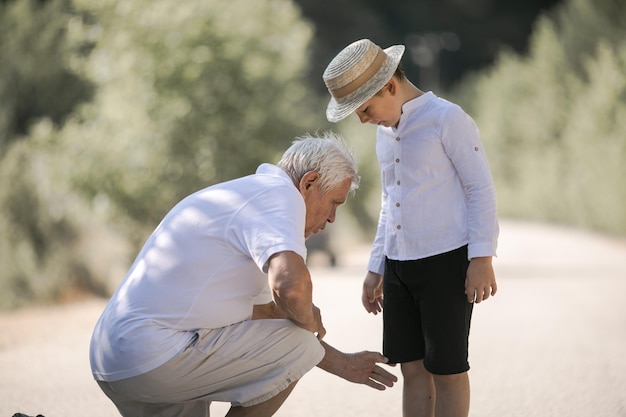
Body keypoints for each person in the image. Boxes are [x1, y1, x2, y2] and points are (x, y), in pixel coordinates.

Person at [89, 131, 397, 417]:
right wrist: (308, 319)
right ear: (308, 183)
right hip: (154, 356)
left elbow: (267, 314)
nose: (331, 218)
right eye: (334, 203)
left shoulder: (248, 197)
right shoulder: (280, 196)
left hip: (115, 358)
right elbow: (290, 291)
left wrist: (342, 362)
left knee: (292, 336)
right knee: (298, 342)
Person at [322, 39, 499, 417]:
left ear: (389, 86)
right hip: (399, 264)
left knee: (447, 368)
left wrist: (481, 257)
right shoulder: (385, 133)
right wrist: (376, 267)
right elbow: (390, 203)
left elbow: (479, 188)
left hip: (446, 261)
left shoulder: (446, 119)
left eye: (365, 110)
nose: (364, 120)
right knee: (411, 367)